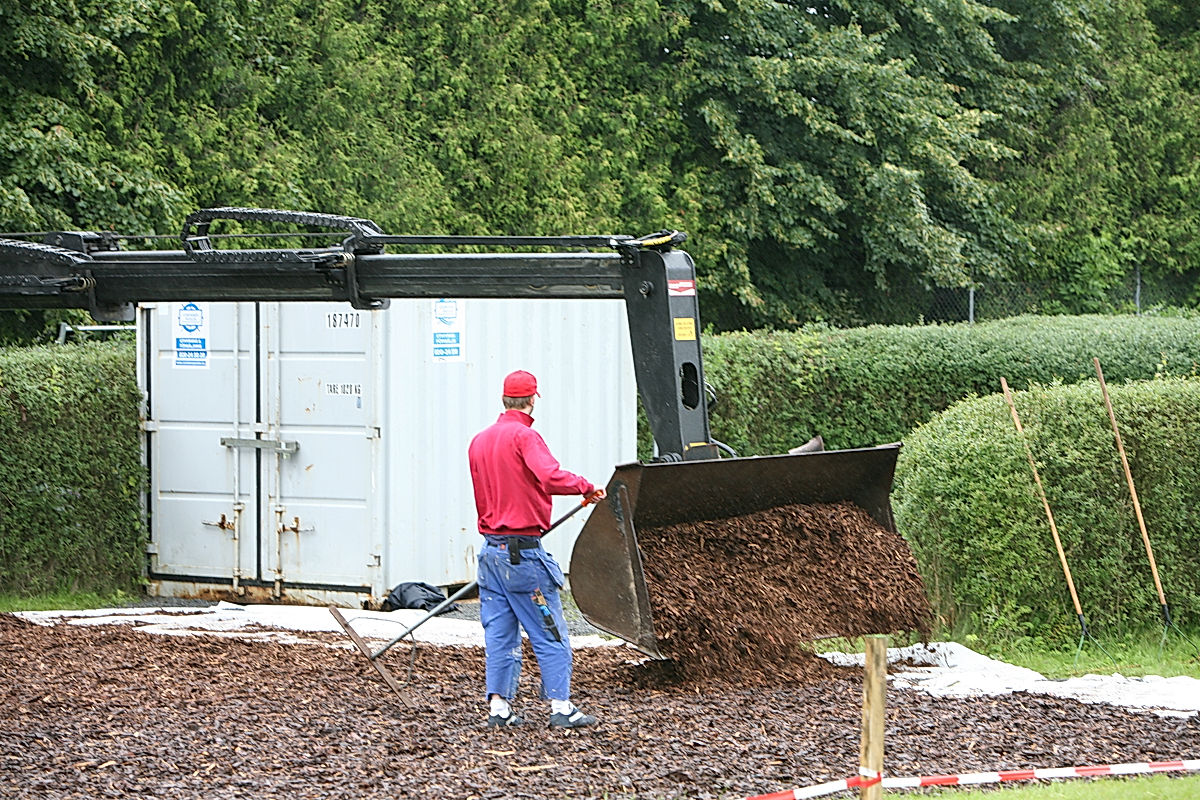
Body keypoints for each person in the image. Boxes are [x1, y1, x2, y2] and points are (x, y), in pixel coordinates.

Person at [467, 369, 604, 729]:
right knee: (550, 631)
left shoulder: (479, 441)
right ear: (531, 401)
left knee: (499, 632)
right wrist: (585, 487)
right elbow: (548, 476)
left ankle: (499, 708)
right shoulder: (525, 437)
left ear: (503, 399)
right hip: (523, 556)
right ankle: (561, 707)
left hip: (491, 554)